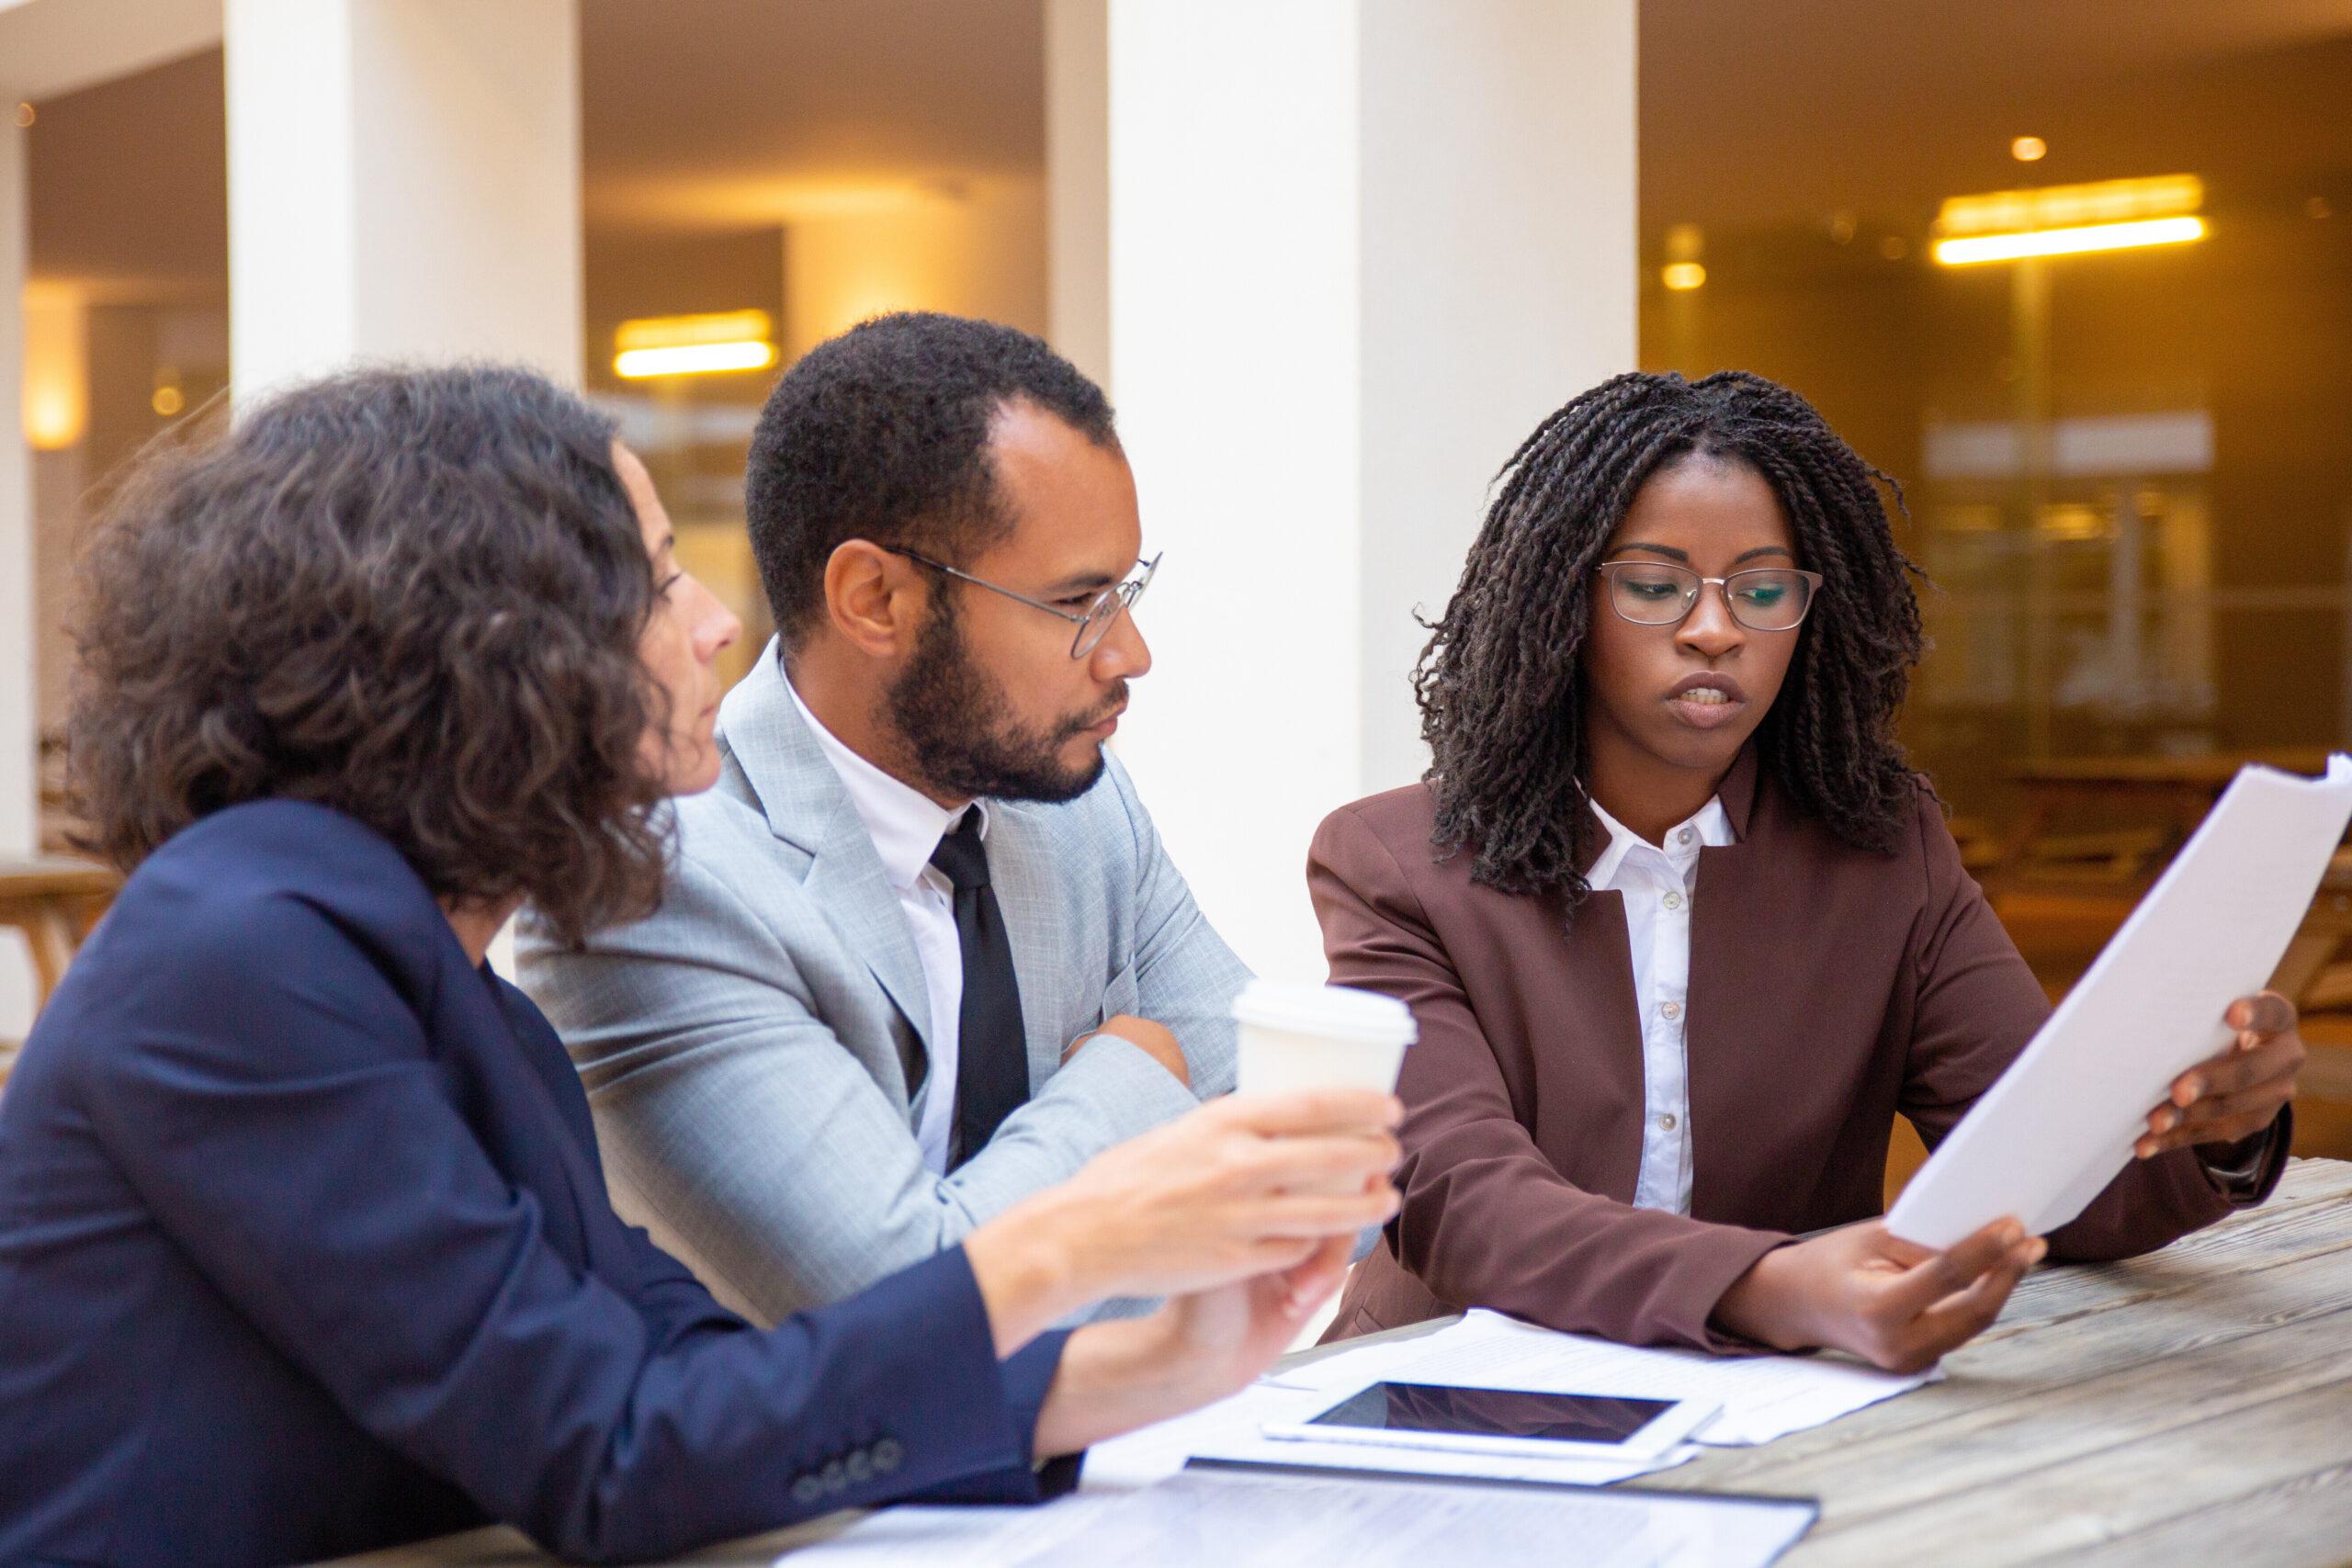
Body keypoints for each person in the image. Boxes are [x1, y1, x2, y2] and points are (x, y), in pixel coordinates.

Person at [0, 365, 1400, 1567]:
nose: (716, 625)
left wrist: (1153, 1367)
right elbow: (607, 1452)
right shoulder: (240, 956)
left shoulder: (461, 1003)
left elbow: (700, 1384)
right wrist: (1085, 1232)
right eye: (661, 577)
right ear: (487, 642)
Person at [1307, 369, 2301, 1371]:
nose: (1714, 628)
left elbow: (2047, 1185)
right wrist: (1773, 1287)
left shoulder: (1883, 856)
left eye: (1763, 588)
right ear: (1561, 601)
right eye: (1654, 586)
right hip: (1447, 1402)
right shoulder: (1396, 867)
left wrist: (2213, 1121)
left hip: (1785, 1409)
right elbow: (1468, 1209)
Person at [523, 312, 1249, 1325]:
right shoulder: (659, 881)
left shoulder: (1077, 804)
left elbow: (1297, 1162)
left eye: (1126, 589)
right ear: (874, 600)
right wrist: (1130, 1081)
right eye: (1080, 602)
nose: (1128, 653)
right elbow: (905, 1311)